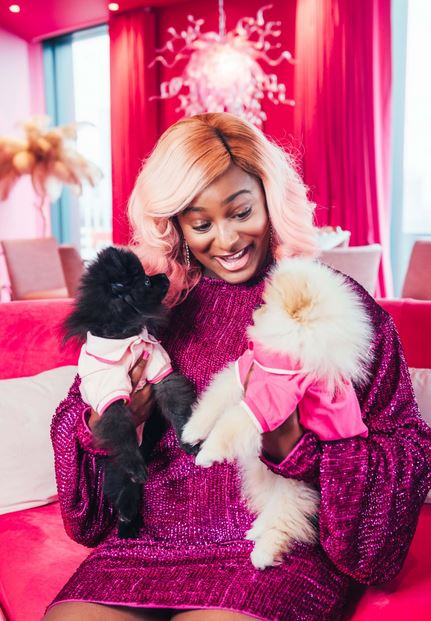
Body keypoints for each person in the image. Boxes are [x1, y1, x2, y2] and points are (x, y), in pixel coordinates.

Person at [44, 113, 431, 621]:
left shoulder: (326, 302)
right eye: (201, 224)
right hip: (147, 544)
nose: (226, 240)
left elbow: (403, 444)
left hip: (274, 547)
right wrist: (108, 424)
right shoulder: (150, 307)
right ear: (175, 225)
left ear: (270, 199)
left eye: (241, 211)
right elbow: (81, 448)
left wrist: (293, 447)